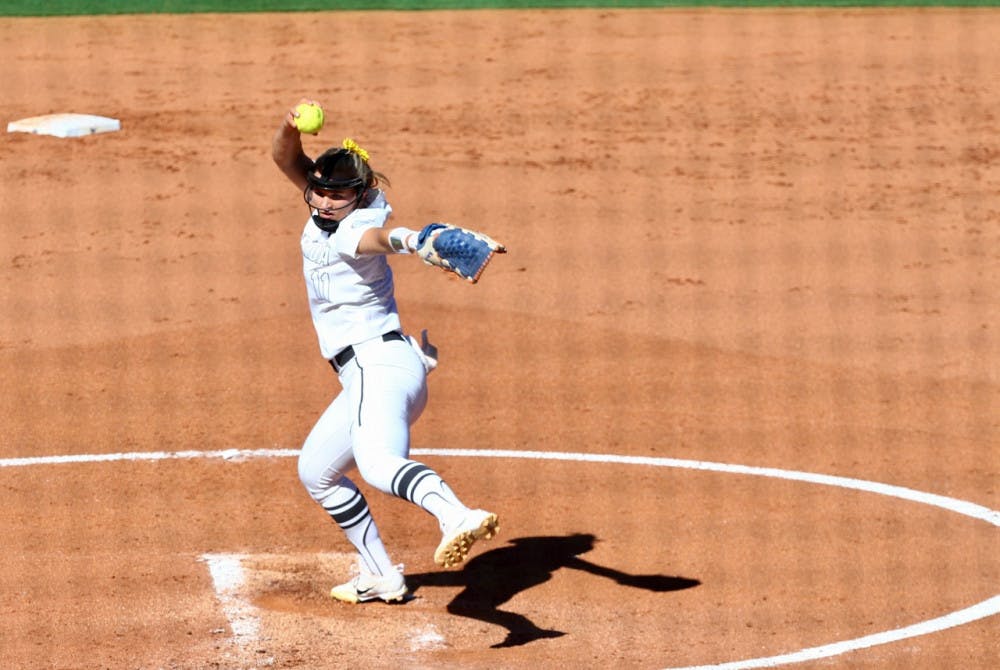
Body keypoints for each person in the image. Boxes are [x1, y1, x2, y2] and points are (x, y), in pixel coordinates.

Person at [271, 99, 499, 604]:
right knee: (318, 472)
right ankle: (380, 574)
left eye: (339, 195)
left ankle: (455, 514)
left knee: (376, 463)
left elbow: (380, 237)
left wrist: (416, 240)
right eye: (321, 192)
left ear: (363, 193)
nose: (327, 203)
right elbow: (285, 159)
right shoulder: (327, 204)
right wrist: (290, 126)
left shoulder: (356, 225)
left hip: (378, 366)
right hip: (375, 375)